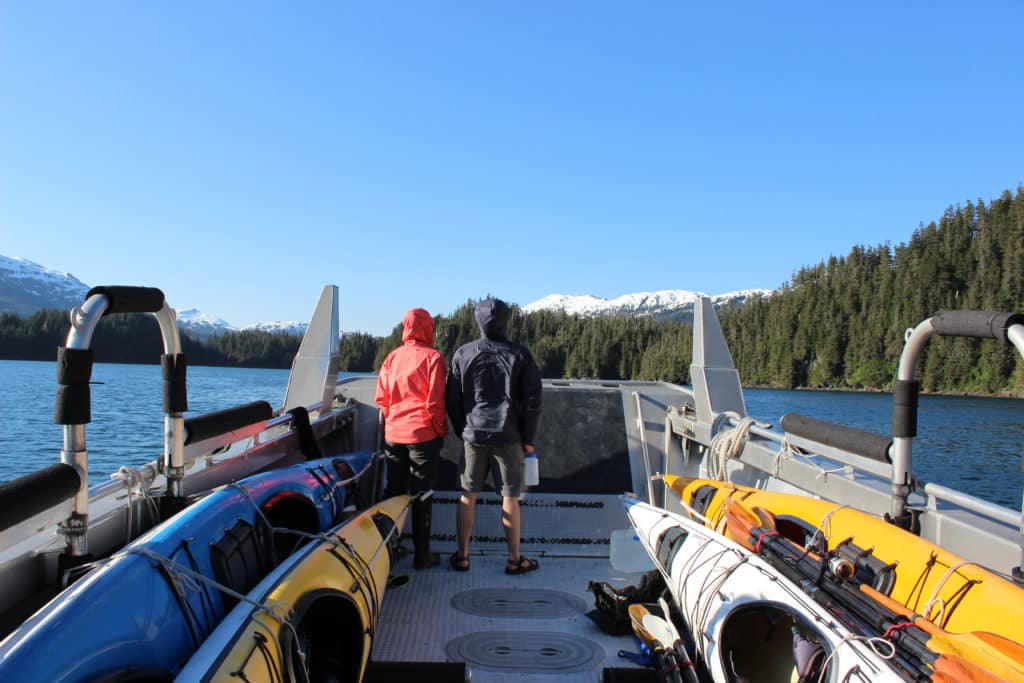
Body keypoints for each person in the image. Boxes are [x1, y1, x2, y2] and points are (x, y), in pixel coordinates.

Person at [446, 298, 542, 574]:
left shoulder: (463, 354)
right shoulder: (520, 354)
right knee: (510, 497)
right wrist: (529, 437)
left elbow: (452, 400)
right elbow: (534, 401)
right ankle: (514, 560)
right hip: (509, 435)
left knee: (468, 494)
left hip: (473, 434)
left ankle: (462, 557)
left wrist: (461, 429)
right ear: (505, 321)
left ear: (478, 320)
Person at [375, 308, 447, 569]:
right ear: (429, 328)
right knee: (422, 494)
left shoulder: (391, 358)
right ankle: (422, 555)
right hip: (422, 435)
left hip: (393, 433)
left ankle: (388, 552)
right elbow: (435, 402)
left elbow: (382, 399)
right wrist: (440, 431)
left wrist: (393, 421)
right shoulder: (434, 358)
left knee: (393, 493)